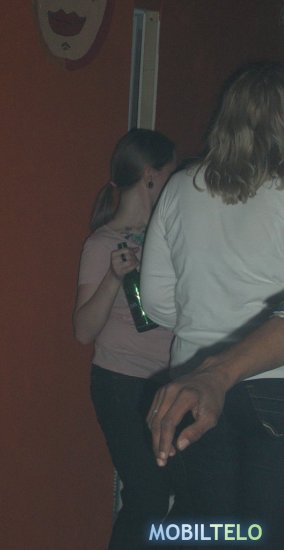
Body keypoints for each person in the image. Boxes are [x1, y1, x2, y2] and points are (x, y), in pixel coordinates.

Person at [140, 62, 284, 548]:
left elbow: (156, 301)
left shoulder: (182, 186)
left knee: (210, 532)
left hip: (191, 382)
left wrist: (207, 321)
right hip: (276, 383)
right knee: (267, 533)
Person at [73, 128, 180, 549]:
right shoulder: (102, 244)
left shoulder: (169, 238)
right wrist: (114, 278)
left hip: (168, 384)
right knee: (148, 497)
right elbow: (83, 330)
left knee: (180, 495)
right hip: (121, 384)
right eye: (170, 173)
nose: (173, 183)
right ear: (151, 176)